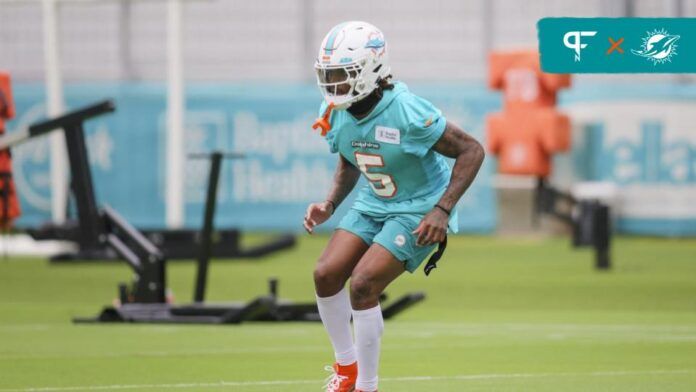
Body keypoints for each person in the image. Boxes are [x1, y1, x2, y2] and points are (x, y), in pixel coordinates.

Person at [305, 21, 485, 392]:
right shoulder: (336, 109)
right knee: (325, 274)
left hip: (418, 208)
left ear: (370, 69)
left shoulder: (406, 110)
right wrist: (330, 203)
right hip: (374, 201)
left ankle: (367, 387)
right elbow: (348, 159)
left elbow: (472, 150)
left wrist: (442, 209)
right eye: (330, 75)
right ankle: (347, 370)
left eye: (343, 74)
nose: (334, 84)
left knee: (363, 283)